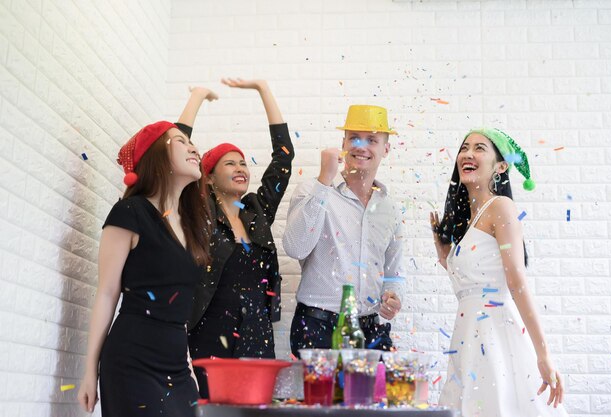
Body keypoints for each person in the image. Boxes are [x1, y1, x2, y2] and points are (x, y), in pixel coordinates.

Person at [76, 107, 215, 416]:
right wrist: (90, 372)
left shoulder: (191, 227)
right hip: (132, 361)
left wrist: (189, 368)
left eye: (192, 143)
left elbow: (178, 308)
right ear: (157, 156)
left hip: (177, 366)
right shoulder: (130, 212)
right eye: (181, 141)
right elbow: (108, 293)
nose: (194, 148)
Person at [430, 128, 568, 416]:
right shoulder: (468, 219)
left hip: (494, 331)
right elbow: (470, 280)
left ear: (500, 166)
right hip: (468, 335)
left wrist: (543, 355)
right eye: (464, 147)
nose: (468, 154)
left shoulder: (501, 207)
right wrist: (444, 253)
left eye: (480, 148)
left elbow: (516, 282)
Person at [185, 79, 293, 396]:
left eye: (243, 162)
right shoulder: (197, 213)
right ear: (207, 174)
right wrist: (196, 98)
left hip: (256, 333)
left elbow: (284, 157)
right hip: (208, 329)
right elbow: (172, 154)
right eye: (229, 162)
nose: (241, 167)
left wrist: (264, 89)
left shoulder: (257, 211)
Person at [283, 105, 404, 357]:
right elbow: (295, 247)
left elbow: (392, 273)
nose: (361, 146)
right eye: (354, 138)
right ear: (343, 143)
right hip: (317, 328)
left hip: (370, 330)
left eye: (372, 140)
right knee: (318, 398)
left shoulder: (390, 208)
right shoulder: (311, 190)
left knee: (375, 398)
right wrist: (323, 182)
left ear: (386, 149)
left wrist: (392, 296)